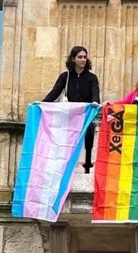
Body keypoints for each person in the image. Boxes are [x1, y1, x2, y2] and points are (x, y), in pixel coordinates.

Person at [43, 45, 100, 173]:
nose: (83, 60)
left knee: (87, 141)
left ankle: (85, 168)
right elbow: (55, 93)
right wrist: (42, 104)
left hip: (85, 117)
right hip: (70, 117)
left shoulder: (92, 78)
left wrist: (96, 101)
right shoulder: (65, 76)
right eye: (80, 57)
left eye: (85, 57)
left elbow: (95, 93)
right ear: (73, 59)